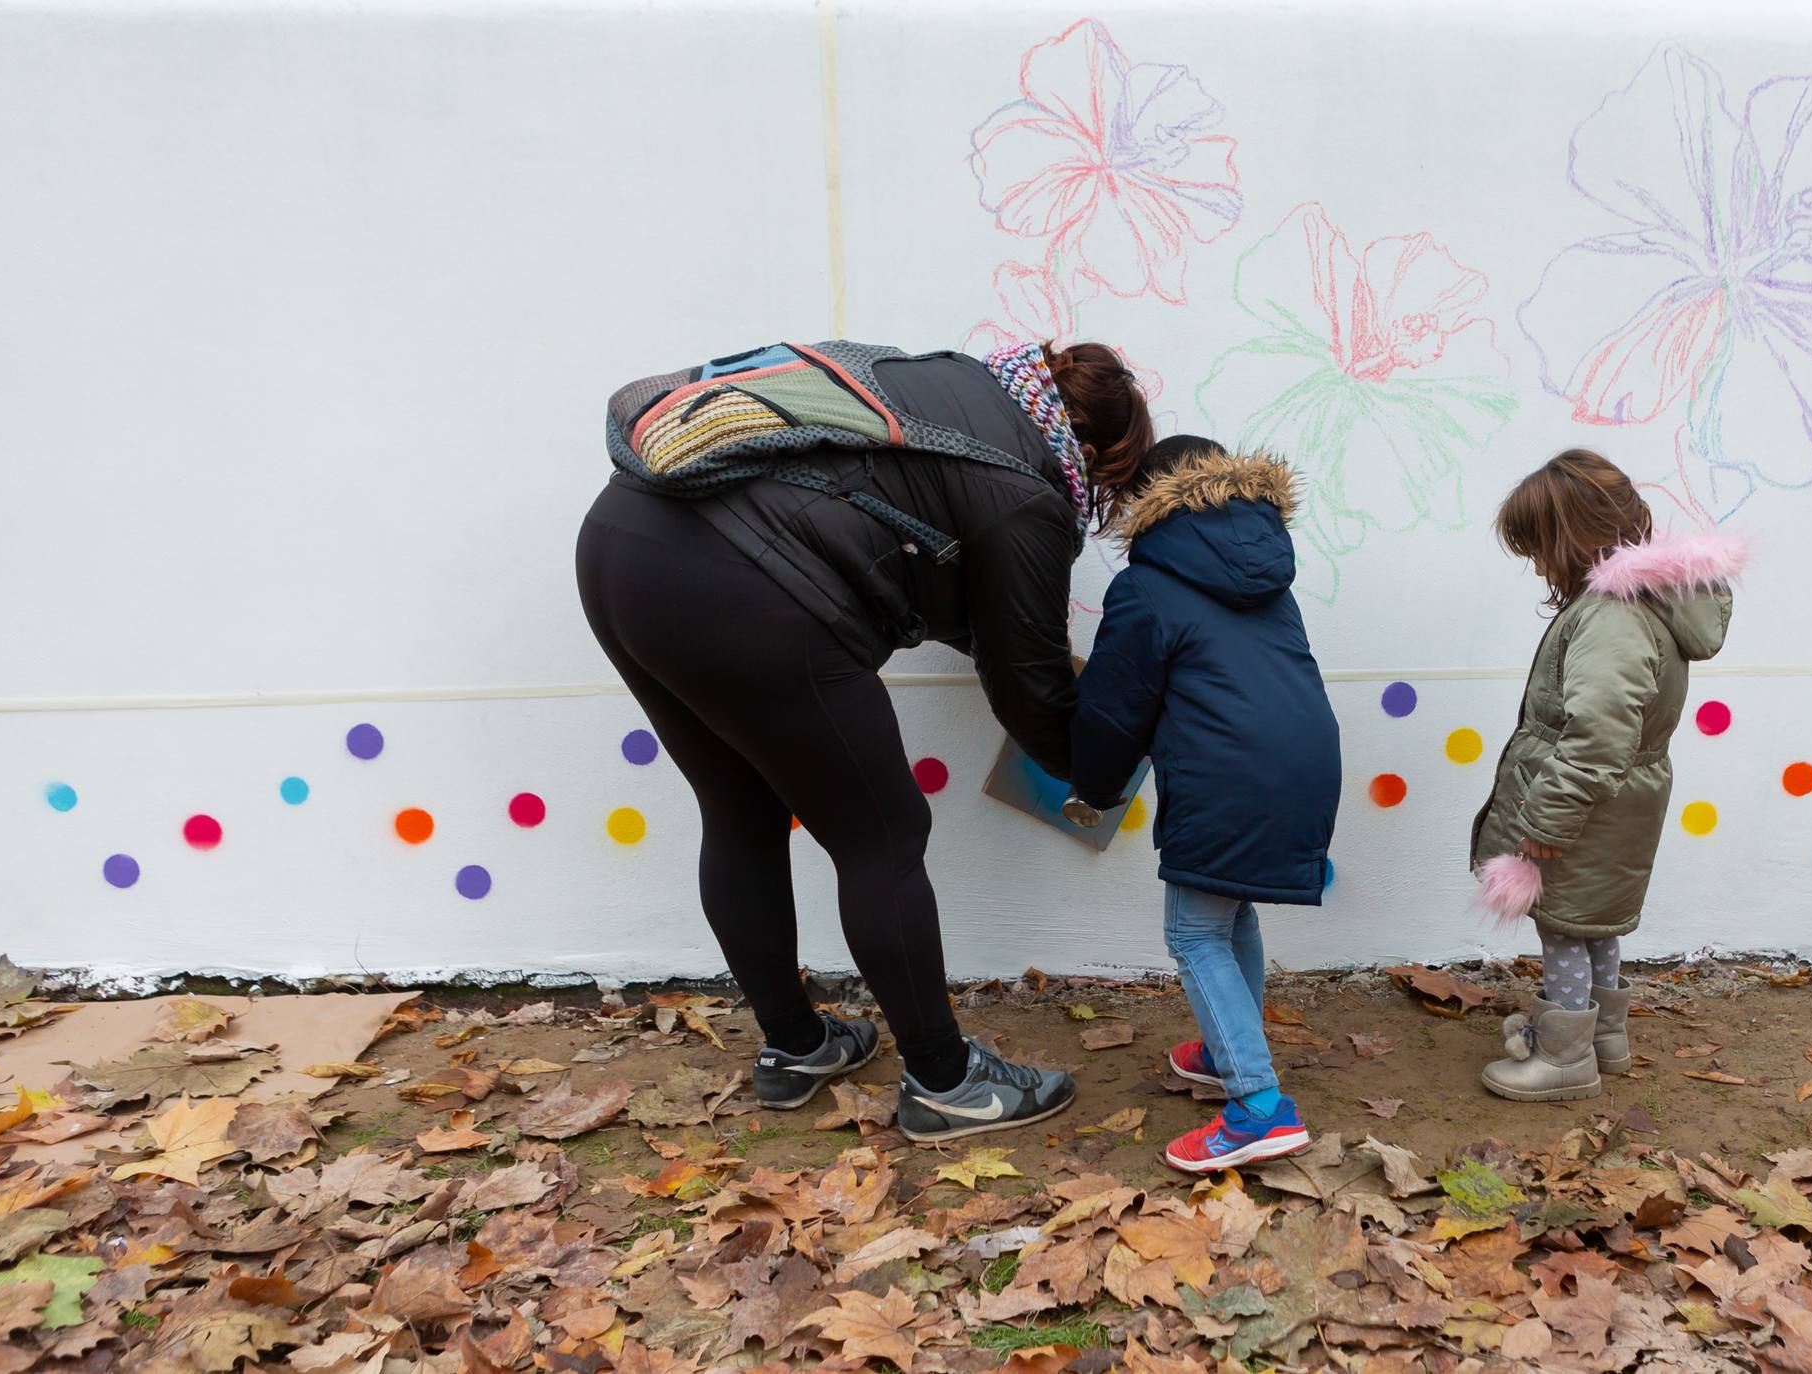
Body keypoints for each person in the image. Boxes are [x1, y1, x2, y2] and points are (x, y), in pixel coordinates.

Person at [575, 338, 1154, 1142]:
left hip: (620, 545)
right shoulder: (1027, 488)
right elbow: (1030, 689)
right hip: (740, 583)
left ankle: (796, 1046)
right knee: (884, 837)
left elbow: (927, 558)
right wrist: (1101, 769)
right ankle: (946, 1083)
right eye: (1104, 485)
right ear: (1087, 450)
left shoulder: (955, 389)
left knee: (739, 811)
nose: (1091, 500)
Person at [1066, 436, 1341, 1172]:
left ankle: (1257, 1105)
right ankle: (1227, 1055)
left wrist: (1092, 786)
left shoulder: (1149, 584)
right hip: (1306, 761)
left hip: (1227, 774)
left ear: (1149, 504)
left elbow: (1116, 711)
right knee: (1230, 908)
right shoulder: (1268, 575)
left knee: (1192, 933)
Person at [1469, 449, 1743, 1102]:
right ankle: (1604, 1038)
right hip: (1619, 800)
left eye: (1537, 548)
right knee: (1593, 922)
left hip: (1587, 808)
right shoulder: (1635, 607)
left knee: (1564, 923)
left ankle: (1564, 1057)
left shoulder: (1611, 618)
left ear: (1568, 541)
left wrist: (1546, 823)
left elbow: (1596, 736)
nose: (1535, 565)